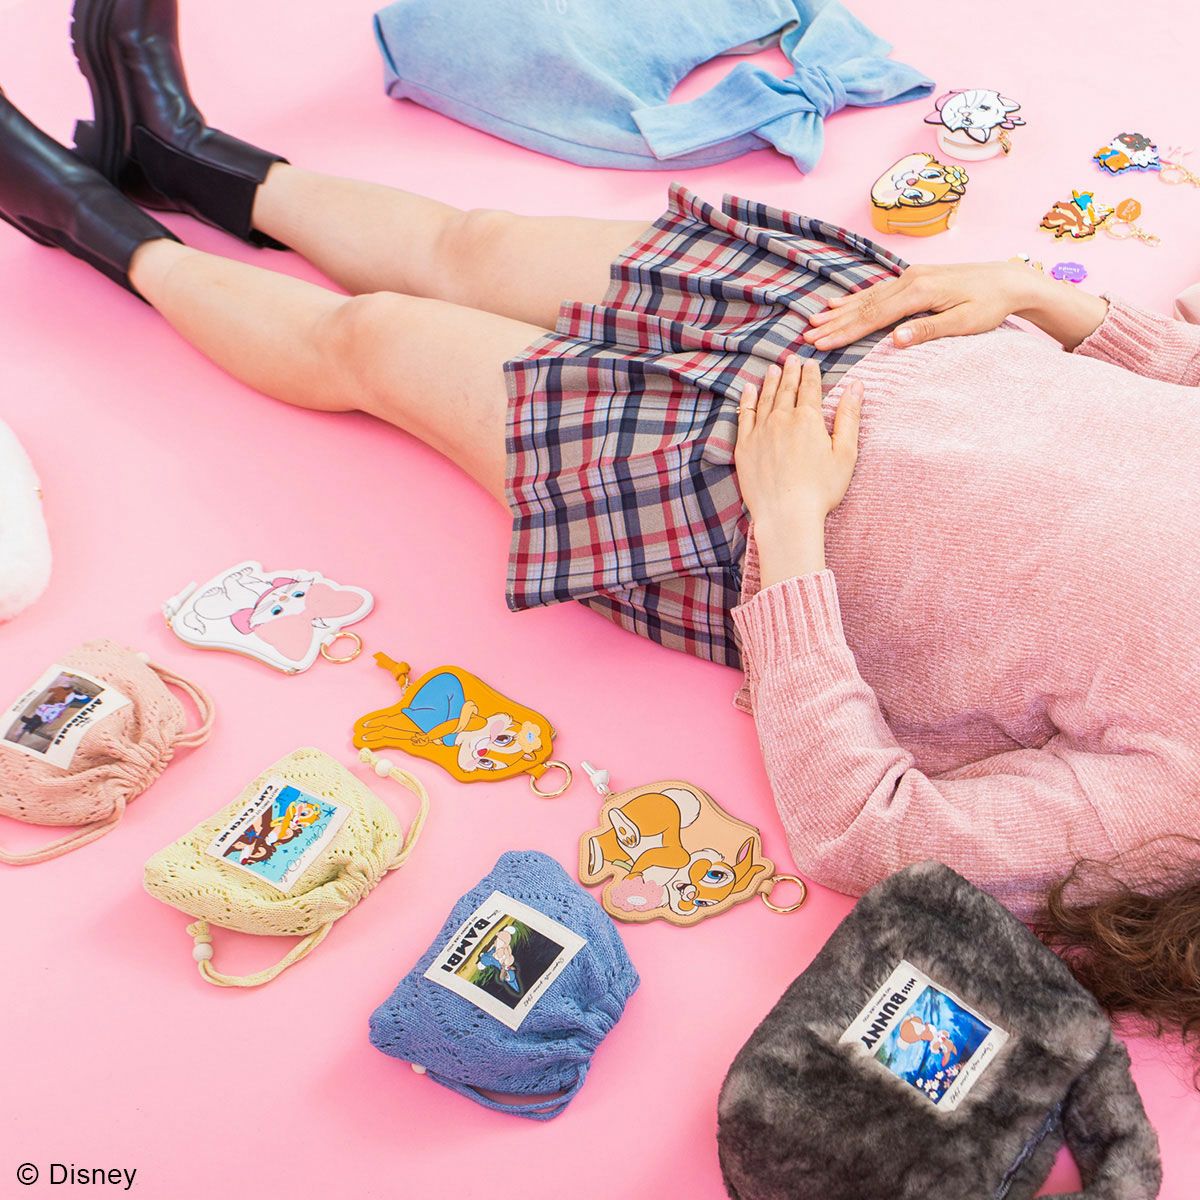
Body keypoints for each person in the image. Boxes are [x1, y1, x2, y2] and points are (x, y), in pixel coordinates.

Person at [3, 0, 1197, 1059]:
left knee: (373, 339)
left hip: (726, 493)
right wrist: (1047, 299)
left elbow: (871, 837)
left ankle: (81, 219)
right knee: (468, 243)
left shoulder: (1176, 806)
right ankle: (177, 149)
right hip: (866, 326)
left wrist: (787, 534)